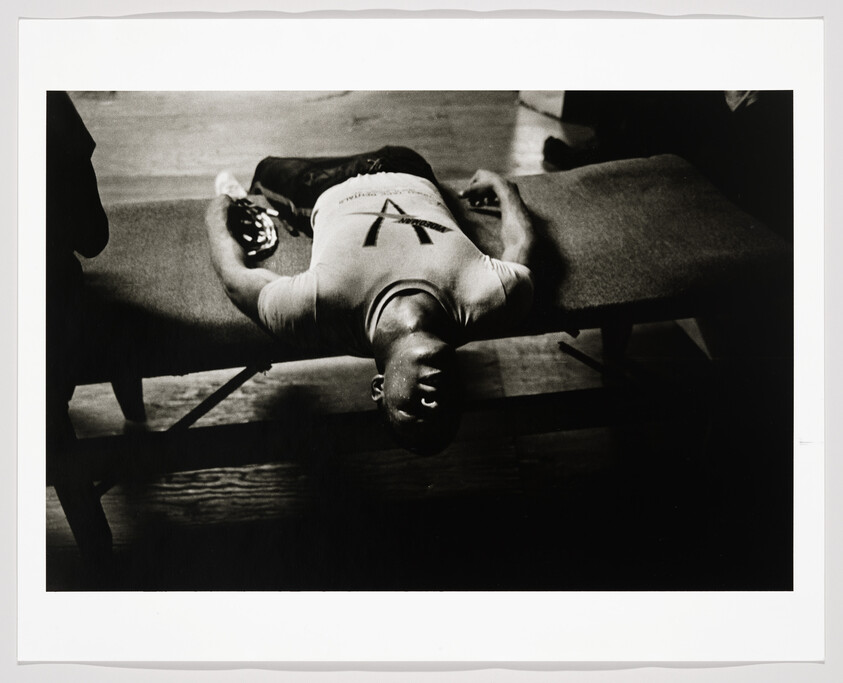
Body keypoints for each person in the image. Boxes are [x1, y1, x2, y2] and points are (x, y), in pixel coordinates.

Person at [205, 146, 535, 454]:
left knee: (266, 169)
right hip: (409, 167)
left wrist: (216, 214)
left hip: (325, 187)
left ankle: (250, 197)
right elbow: (520, 244)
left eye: (414, 410)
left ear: (379, 388)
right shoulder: (493, 298)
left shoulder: (317, 313)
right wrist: (505, 188)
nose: (435, 403)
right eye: (450, 410)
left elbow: (235, 279)